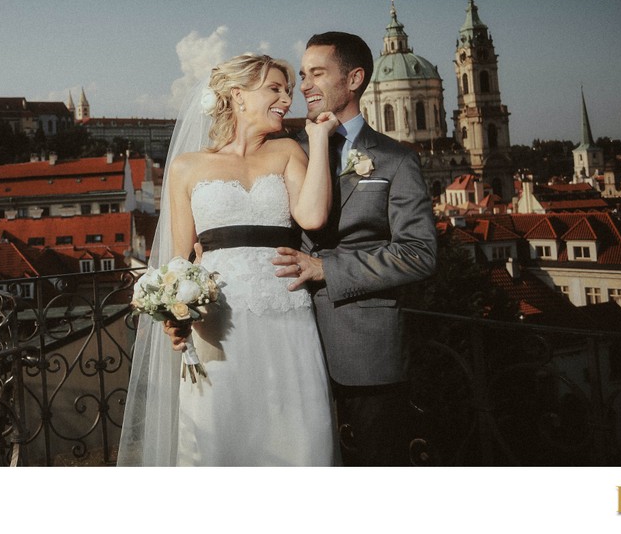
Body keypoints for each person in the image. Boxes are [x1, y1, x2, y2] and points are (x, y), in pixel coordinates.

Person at [117, 53, 339, 466]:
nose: (286, 99)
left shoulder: (289, 150)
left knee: (297, 433)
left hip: (286, 315)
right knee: (219, 434)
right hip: (216, 324)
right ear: (238, 95)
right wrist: (174, 315)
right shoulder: (186, 168)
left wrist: (321, 139)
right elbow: (178, 263)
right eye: (274, 88)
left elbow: (312, 216)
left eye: (287, 90)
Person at [272, 31, 437, 466]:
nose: (303, 85)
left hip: (366, 350)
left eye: (318, 74)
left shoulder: (396, 159)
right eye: (302, 74)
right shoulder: (287, 153)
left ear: (355, 79)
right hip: (286, 343)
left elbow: (419, 253)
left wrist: (326, 269)